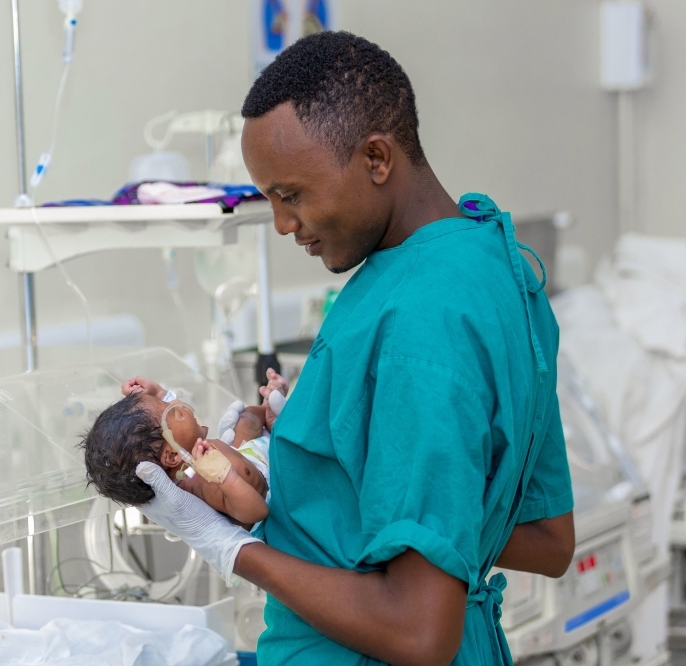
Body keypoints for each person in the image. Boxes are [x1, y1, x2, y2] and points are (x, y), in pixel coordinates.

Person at [133, 31, 575, 666]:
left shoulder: (418, 325)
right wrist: (345, 471)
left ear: (376, 158)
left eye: (292, 195)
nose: (283, 224)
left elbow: (419, 633)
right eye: (270, 200)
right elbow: (546, 539)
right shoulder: (491, 262)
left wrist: (232, 548)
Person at [80, 371, 288, 528]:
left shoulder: (183, 456)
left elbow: (198, 429)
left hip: (251, 456)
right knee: (245, 424)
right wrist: (226, 477)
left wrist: (158, 393)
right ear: (171, 457)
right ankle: (279, 424)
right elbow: (257, 512)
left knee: (244, 419)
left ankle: (268, 412)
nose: (179, 403)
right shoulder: (201, 484)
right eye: (174, 412)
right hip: (272, 489)